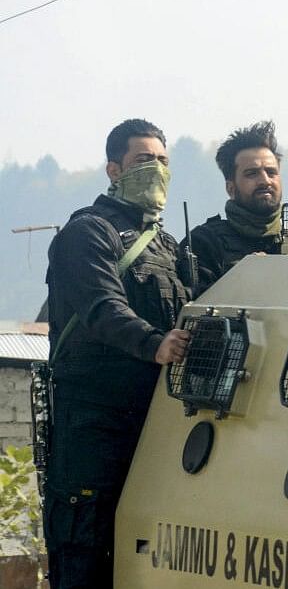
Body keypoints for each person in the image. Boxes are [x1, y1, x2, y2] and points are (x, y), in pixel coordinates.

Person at [43, 118, 191, 588]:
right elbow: (102, 308)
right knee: (86, 554)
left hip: (151, 424)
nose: (157, 171)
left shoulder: (167, 246)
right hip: (92, 427)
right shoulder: (87, 233)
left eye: (163, 162)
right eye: (144, 161)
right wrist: (154, 344)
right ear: (113, 169)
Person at [182, 120, 283, 295]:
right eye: (252, 174)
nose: (265, 181)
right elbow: (197, 312)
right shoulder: (204, 243)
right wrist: (242, 278)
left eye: (271, 172)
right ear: (231, 188)